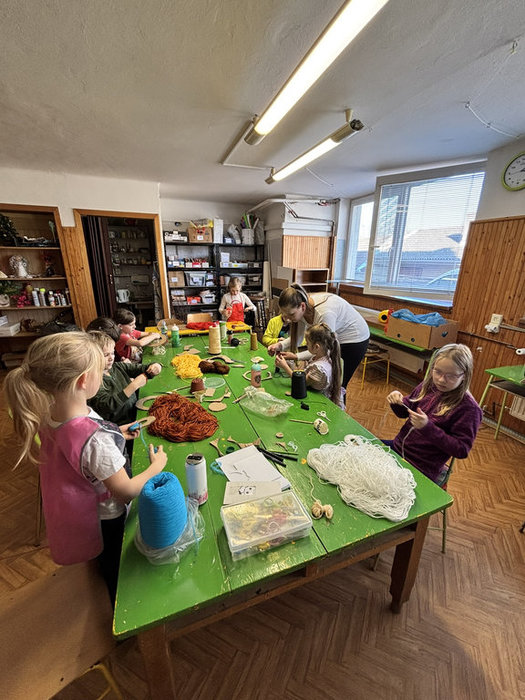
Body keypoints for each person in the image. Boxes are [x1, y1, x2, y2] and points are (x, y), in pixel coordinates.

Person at [4, 332, 167, 604]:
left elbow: (79, 439)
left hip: (80, 510)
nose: (104, 375)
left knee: (102, 561)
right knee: (115, 566)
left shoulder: (48, 413)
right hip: (107, 517)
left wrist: (117, 430)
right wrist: (156, 468)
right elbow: (125, 491)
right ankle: (119, 608)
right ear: (83, 380)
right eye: (99, 371)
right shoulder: (96, 441)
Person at [384, 343, 482, 484]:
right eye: (437, 372)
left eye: (451, 376)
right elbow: (405, 412)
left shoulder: (469, 409)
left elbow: (461, 449)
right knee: (358, 447)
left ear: (464, 376)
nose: (441, 379)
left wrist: (427, 427)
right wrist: (396, 401)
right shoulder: (429, 386)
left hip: (422, 467)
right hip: (398, 448)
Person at [267, 283, 370, 389]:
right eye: (286, 315)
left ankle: (338, 399)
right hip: (336, 337)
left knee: (338, 384)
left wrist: (296, 356)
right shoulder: (302, 307)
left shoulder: (324, 314)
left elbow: (322, 350)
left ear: (302, 306)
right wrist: (279, 345)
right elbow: (298, 338)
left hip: (355, 340)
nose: (288, 319)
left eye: (291, 314)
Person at [87, 331, 162, 424]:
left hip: (135, 413)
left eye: (112, 353)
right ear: (92, 357)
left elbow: (143, 368)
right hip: (122, 425)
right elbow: (108, 406)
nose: (111, 358)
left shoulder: (117, 367)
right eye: (106, 355)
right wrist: (134, 386)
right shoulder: (93, 381)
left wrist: (156, 366)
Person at [275, 323, 344, 409]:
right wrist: (291, 361)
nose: (306, 345)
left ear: (316, 347)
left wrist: (285, 367)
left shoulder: (319, 369)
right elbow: (303, 374)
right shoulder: (324, 355)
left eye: (307, 343)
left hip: (321, 404)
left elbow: (301, 384)